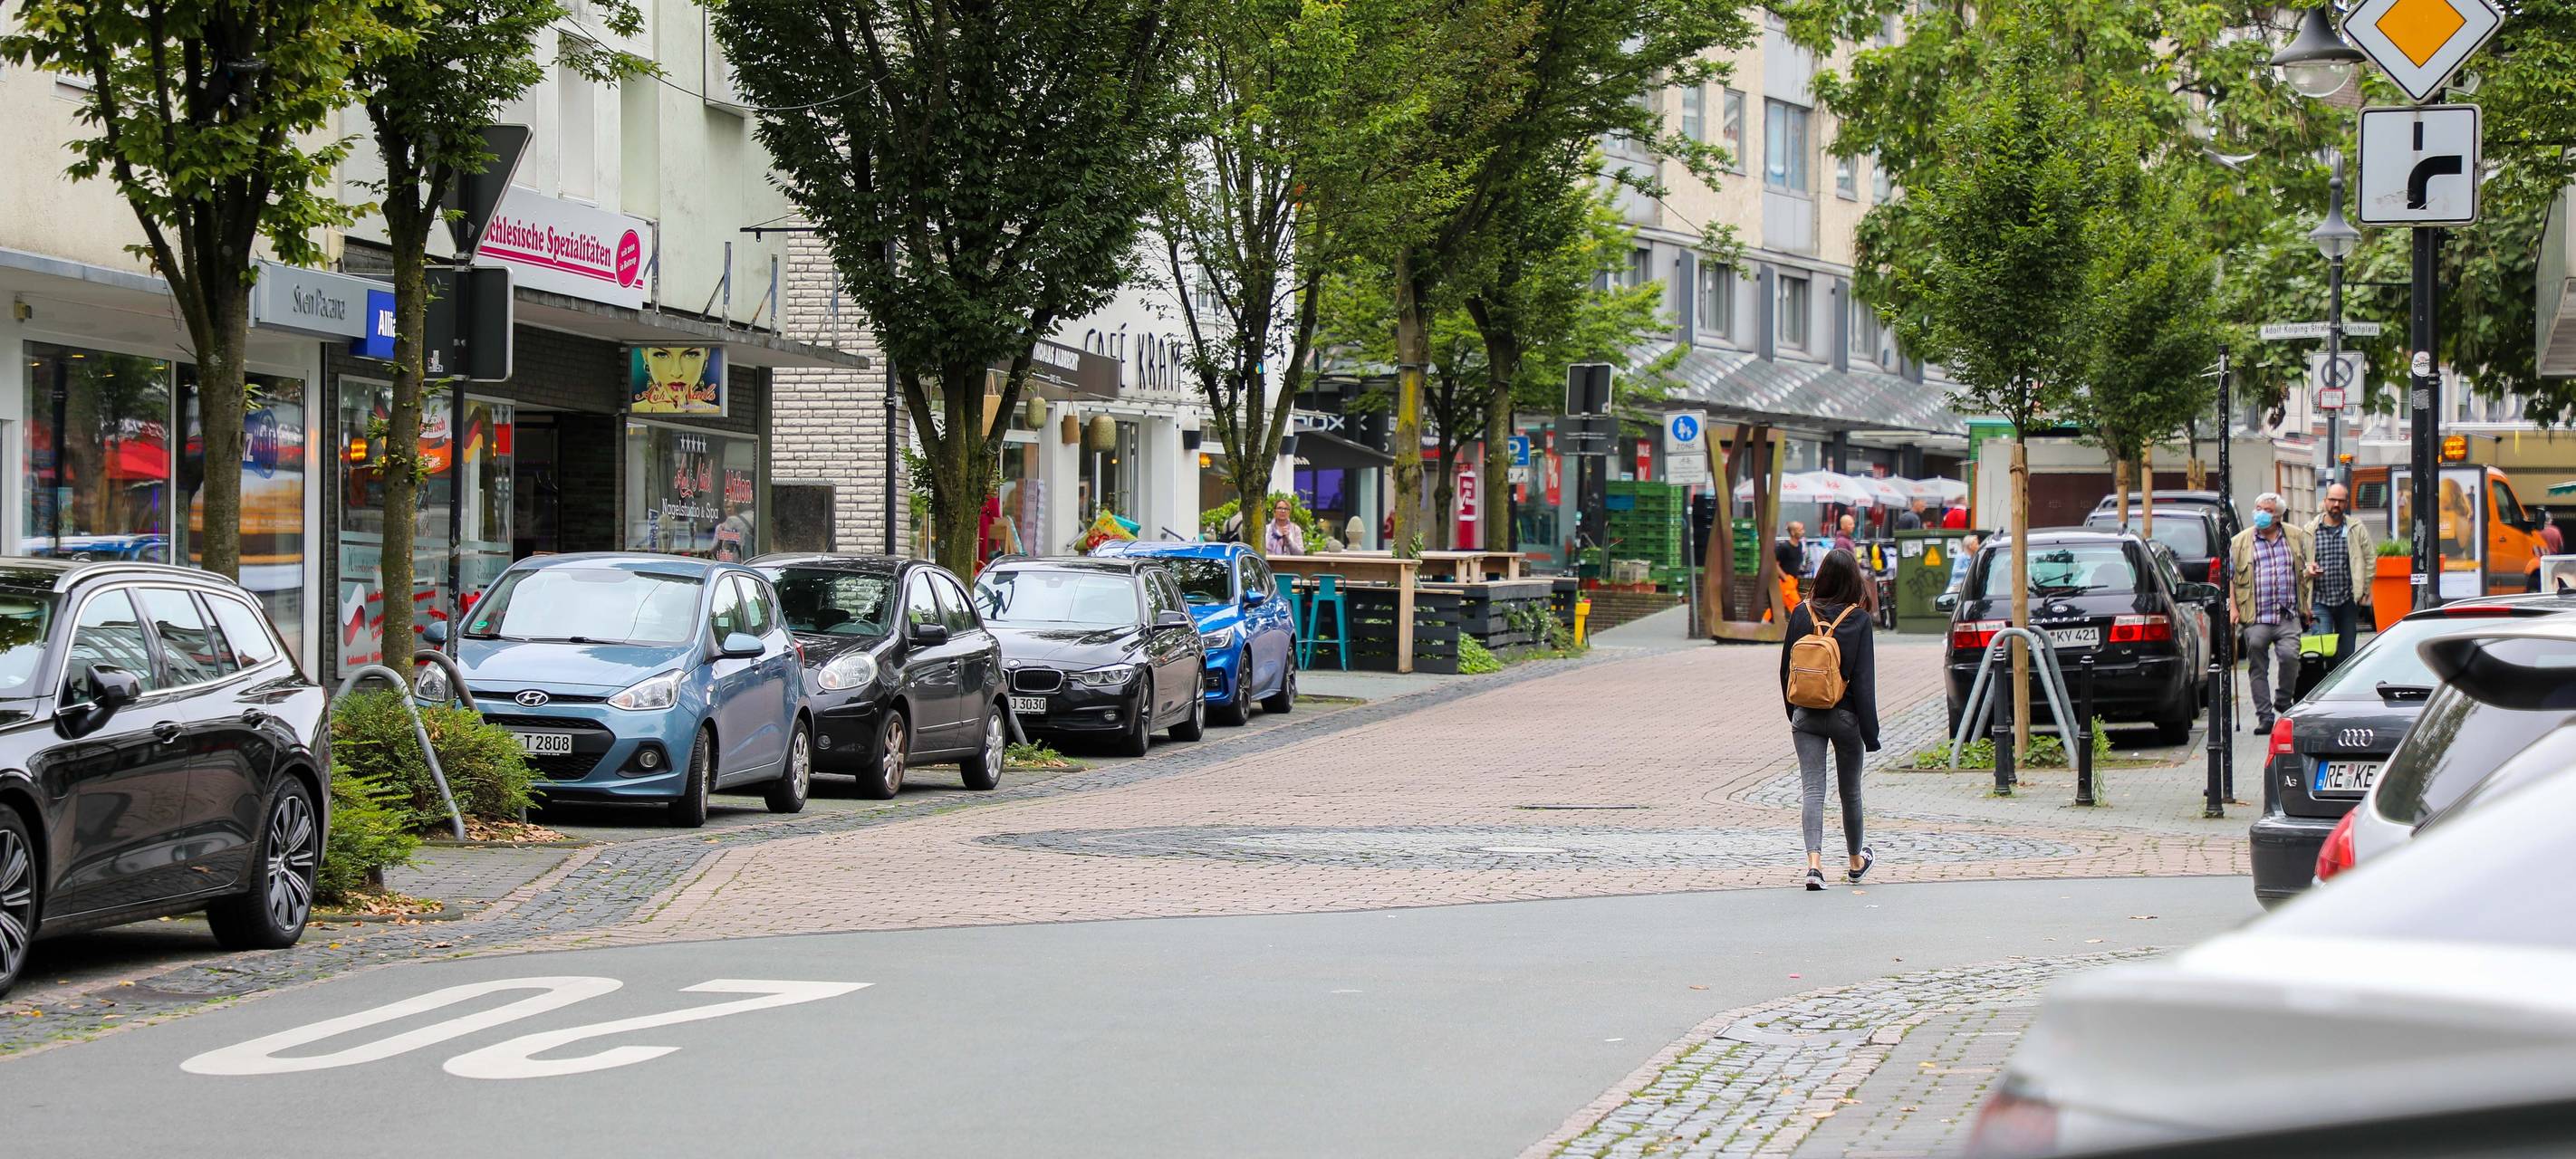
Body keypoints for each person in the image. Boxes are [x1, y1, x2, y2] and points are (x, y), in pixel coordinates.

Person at [1780, 549, 1879, 891]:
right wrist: (1871, 733)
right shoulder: (1860, 620)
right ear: (1855, 580)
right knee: (1850, 792)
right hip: (1846, 716)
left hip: (1806, 714)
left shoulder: (1800, 613)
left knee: (1812, 789)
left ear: (1821, 576)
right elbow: (1865, 683)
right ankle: (1855, 862)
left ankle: (1814, 865)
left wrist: (1796, 714)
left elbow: (1785, 670)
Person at [2230, 492, 2313, 733]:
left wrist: (2306, 604)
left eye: (2267, 510)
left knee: (2290, 657)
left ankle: (2283, 699)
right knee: (2258, 665)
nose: (2260, 514)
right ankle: (2264, 717)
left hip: (2287, 614)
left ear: (2277, 516)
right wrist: (2233, 609)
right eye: (2258, 508)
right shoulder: (2240, 542)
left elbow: (2303, 572)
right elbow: (2230, 578)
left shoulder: (2294, 536)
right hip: (2256, 616)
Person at [2304, 483, 2375, 670]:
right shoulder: (2311, 530)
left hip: (2347, 600)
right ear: (2325, 501)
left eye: (2341, 501)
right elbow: (2299, 561)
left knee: (2346, 654)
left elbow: (2369, 559)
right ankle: (2320, 692)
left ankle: (2342, 693)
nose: (2336, 504)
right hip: (2319, 601)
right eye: (2333, 500)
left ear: (2346, 504)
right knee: (2322, 651)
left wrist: (2364, 590)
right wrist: (2307, 570)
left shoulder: (2356, 528)